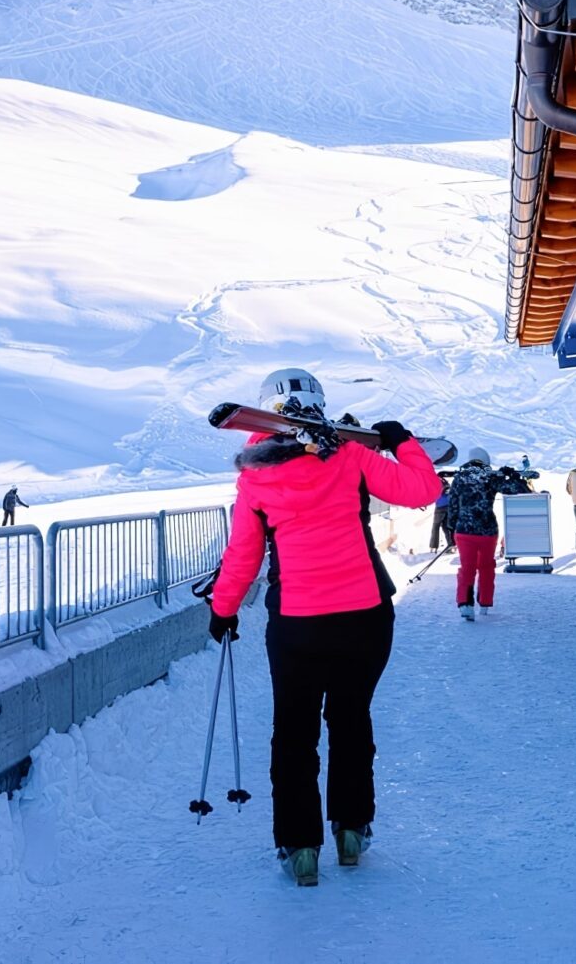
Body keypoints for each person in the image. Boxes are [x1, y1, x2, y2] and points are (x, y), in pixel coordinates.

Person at [207, 367, 439, 888]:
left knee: (294, 732)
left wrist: (222, 612)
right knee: (351, 721)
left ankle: (299, 846)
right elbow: (422, 488)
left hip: (297, 624)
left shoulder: (254, 478)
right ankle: (352, 831)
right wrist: (400, 442)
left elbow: (243, 554)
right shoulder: (354, 456)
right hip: (365, 618)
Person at [446, 448, 521, 620]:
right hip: (488, 531)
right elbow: (515, 489)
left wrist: (452, 528)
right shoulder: (490, 476)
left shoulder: (460, 477)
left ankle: (465, 604)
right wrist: (511, 475)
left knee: (467, 568)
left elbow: (453, 506)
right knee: (486, 567)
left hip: (464, 530)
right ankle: (485, 602)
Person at [429, 473, 452, 552]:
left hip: (440, 507)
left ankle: (433, 546)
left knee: (436, 526)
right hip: (448, 506)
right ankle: (451, 544)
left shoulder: (434, 481)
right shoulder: (444, 481)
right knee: (446, 527)